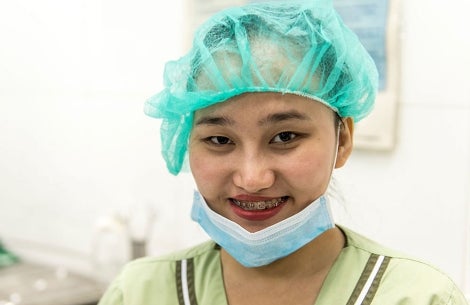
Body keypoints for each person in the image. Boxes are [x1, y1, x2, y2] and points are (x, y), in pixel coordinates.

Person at [98, 0, 469, 304]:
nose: (252, 179)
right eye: (220, 140)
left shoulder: (419, 297)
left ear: (343, 141)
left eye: (285, 136)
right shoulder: (139, 292)